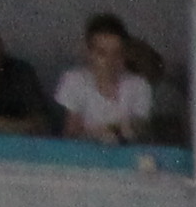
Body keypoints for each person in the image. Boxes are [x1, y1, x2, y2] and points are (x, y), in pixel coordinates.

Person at [53, 14, 151, 144]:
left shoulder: (139, 85)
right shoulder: (73, 80)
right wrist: (101, 133)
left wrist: (112, 131)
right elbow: (71, 133)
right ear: (89, 53)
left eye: (116, 53)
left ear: (124, 54)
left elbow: (140, 127)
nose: (110, 61)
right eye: (102, 53)